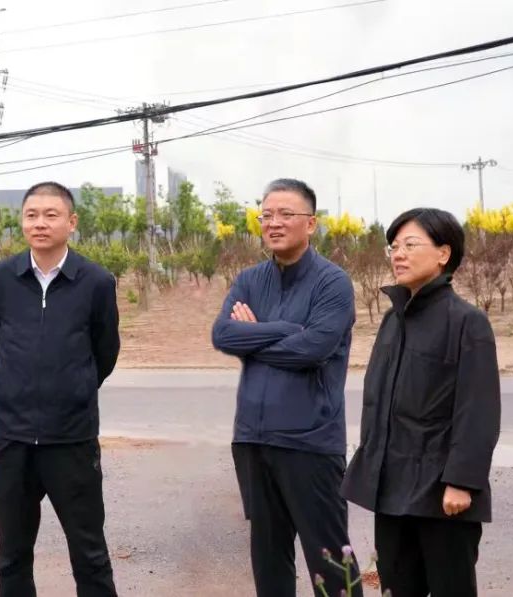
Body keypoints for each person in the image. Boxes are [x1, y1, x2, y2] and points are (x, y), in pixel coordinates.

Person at [212, 178, 362, 597]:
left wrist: (255, 336)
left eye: (285, 214)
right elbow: (223, 335)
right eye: (266, 215)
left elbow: (314, 348)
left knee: (330, 559)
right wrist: (283, 329)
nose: (273, 223)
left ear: (311, 223)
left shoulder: (332, 282)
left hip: (309, 442)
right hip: (253, 440)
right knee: (268, 556)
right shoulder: (249, 280)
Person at [341, 207, 501, 597]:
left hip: (441, 493)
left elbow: (478, 409)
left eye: (410, 245)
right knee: (395, 588)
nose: (398, 254)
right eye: (394, 247)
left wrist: (461, 481)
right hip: (392, 488)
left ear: (444, 253)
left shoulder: (467, 322)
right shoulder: (392, 321)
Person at [0, 181, 121, 597]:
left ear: (71, 222)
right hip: (13, 442)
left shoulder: (96, 281)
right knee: (12, 558)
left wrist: (73, 385)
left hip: (71, 441)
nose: (40, 223)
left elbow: (105, 352)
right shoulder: (0, 278)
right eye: (31, 215)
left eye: (51, 215)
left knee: (90, 556)